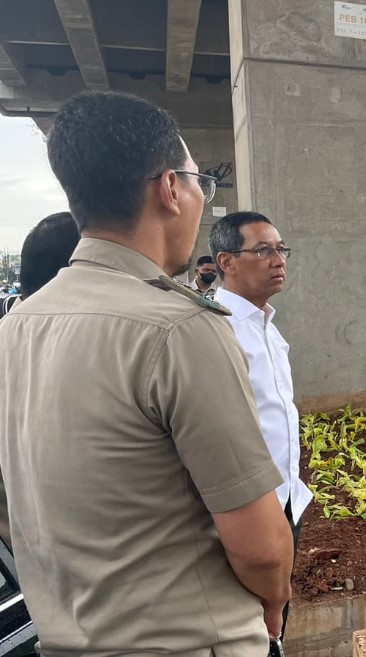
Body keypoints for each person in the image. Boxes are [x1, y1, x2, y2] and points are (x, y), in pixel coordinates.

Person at [0, 91, 292, 656]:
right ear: (168, 189)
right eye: (199, 183)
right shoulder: (178, 329)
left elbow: (11, 512)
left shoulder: (15, 329)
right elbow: (258, 547)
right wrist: (276, 596)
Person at [210, 211, 308, 639]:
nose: (278, 260)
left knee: (275, 621)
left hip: (285, 498)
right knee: (248, 625)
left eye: (281, 249)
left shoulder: (267, 325)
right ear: (227, 261)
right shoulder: (215, 328)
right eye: (264, 250)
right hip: (246, 508)